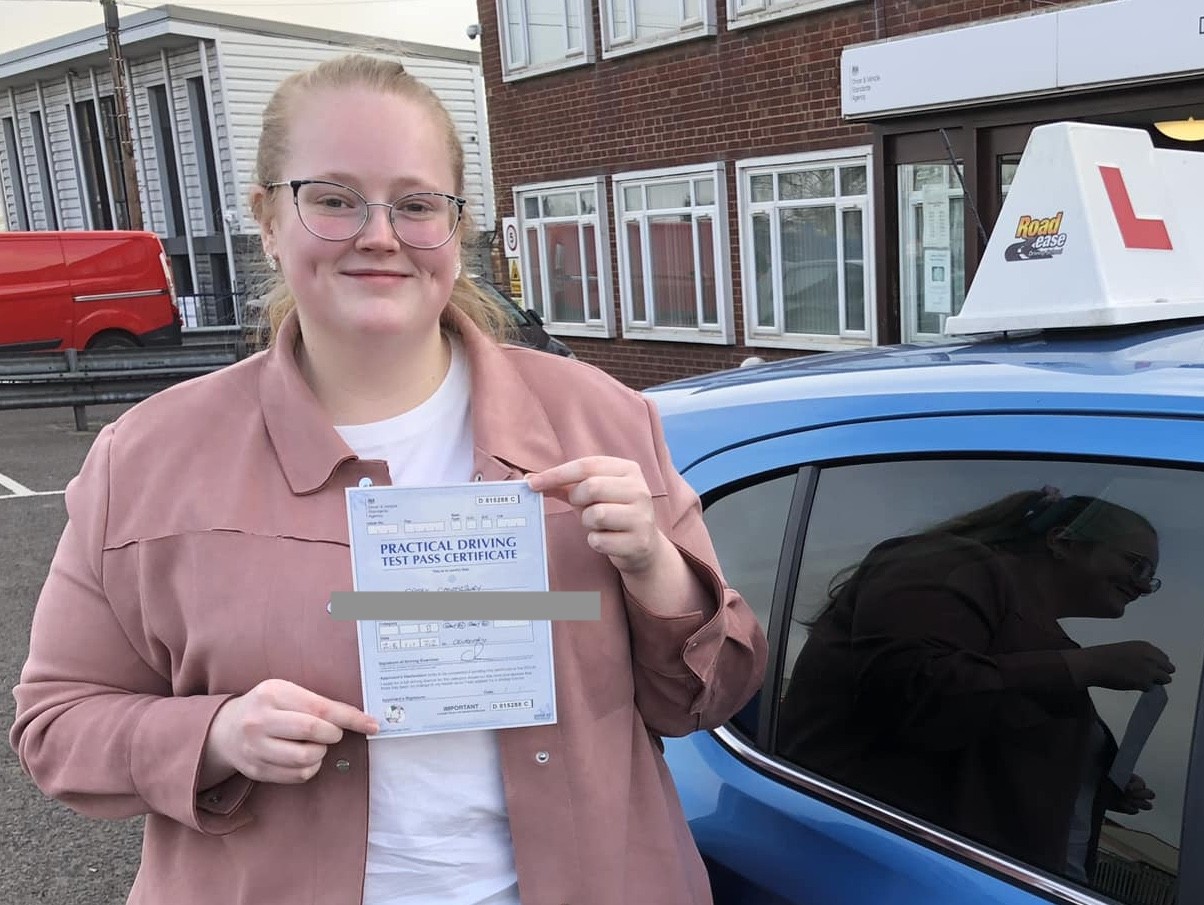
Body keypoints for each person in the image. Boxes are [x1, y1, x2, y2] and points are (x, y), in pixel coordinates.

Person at [9, 54, 767, 905]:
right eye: (333, 199)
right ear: (267, 218)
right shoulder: (145, 458)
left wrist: (653, 570)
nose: (379, 234)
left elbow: (711, 697)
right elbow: (55, 724)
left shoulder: (602, 418)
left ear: (456, 225)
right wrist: (216, 733)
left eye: (415, 204)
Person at [776, 487, 1174, 883]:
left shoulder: (1046, 639)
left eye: (1151, 579)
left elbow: (989, 746)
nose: (1142, 586)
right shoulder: (943, 566)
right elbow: (917, 696)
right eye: (1137, 565)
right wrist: (1086, 666)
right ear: (1061, 541)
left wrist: (1092, 782)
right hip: (878, 871)